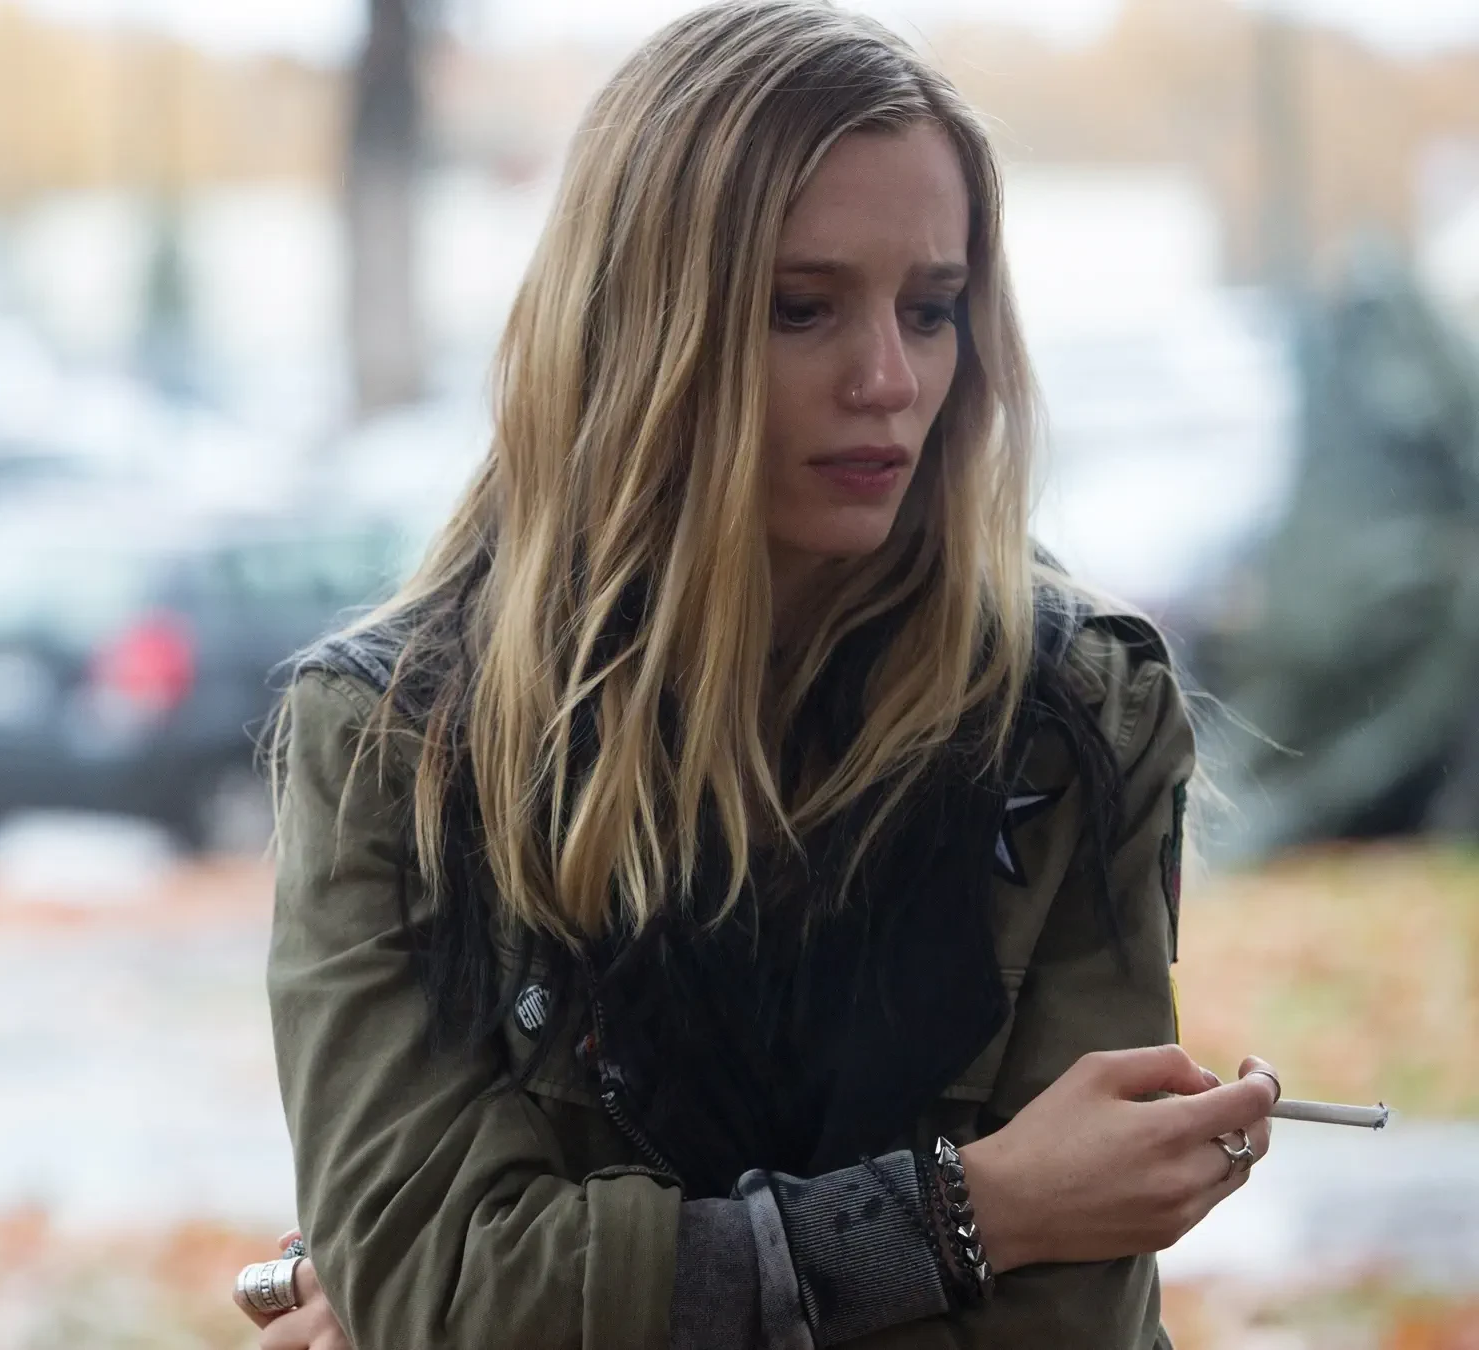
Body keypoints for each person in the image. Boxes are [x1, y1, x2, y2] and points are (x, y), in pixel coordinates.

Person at [231, 3, 1281, 1346]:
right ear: (639, 328)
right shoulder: (400, 745)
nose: (889, 378)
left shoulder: (1072, 715)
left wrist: (545, 1295)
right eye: (803, 308)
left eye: (933, 309)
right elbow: (454, 1288)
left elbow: (1059, 1322)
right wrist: (977, 1211)